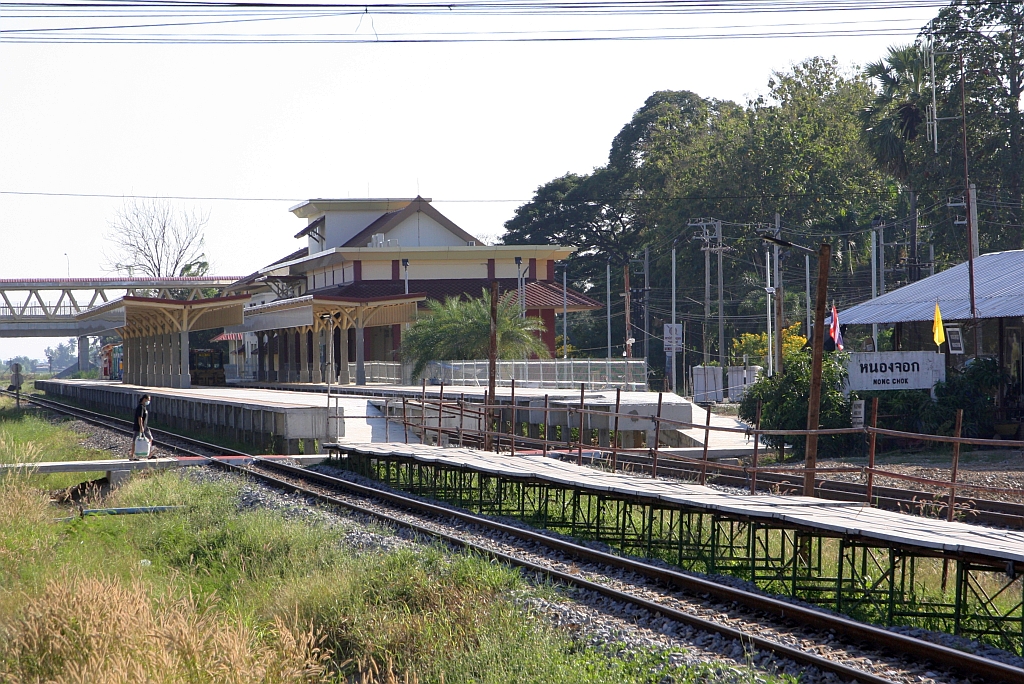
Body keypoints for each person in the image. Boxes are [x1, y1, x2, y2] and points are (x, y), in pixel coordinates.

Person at [132, 394, 154, 460]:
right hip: (139, 427)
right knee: (135, 441)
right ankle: (132, 455)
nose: (148, 402)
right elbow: (140, 418)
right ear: (144, 399)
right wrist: (141, 426)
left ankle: (149, 455)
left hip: (145, 427)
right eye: (148, 400)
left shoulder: (144, 407)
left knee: (150, 438)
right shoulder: (140, 407)